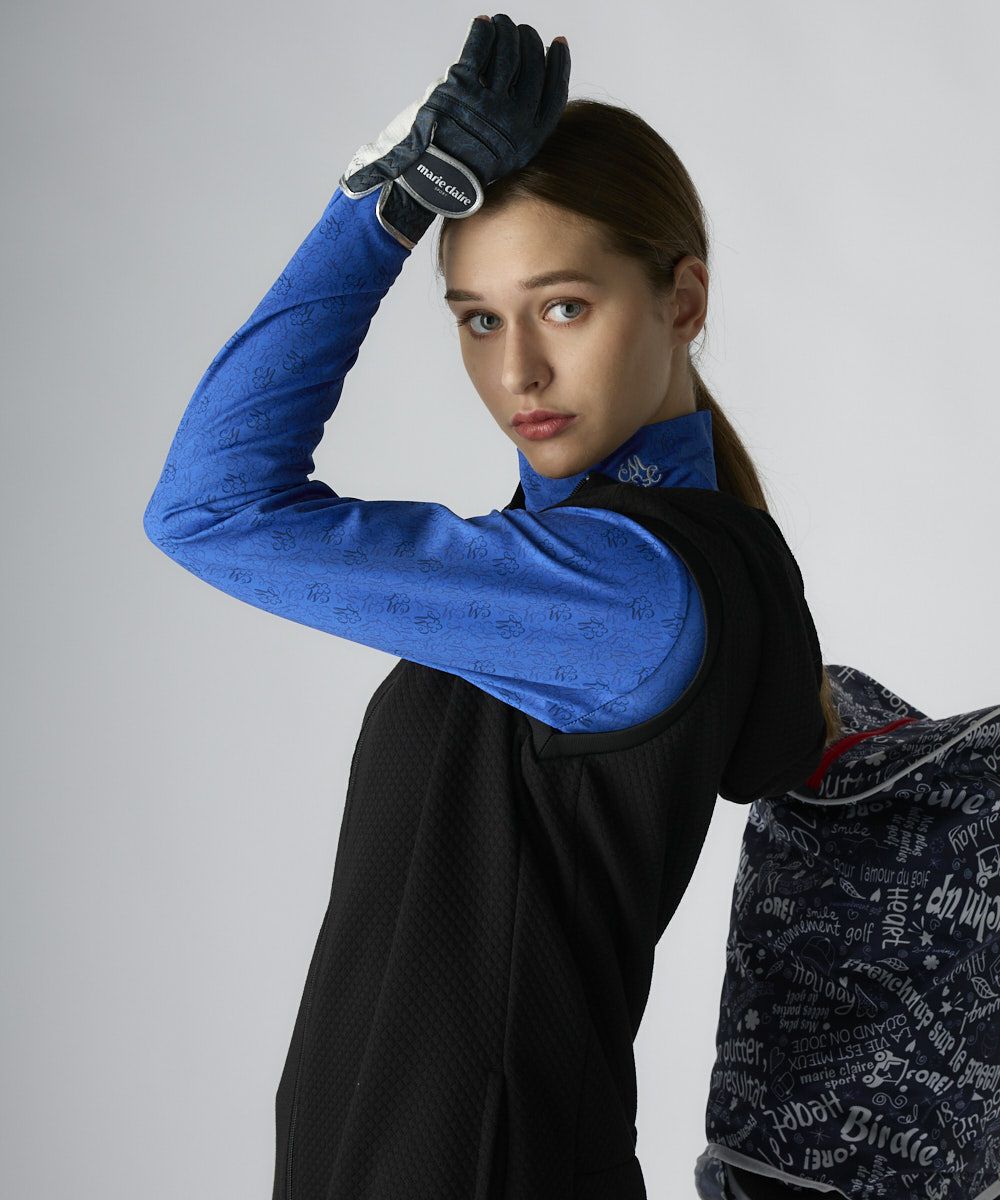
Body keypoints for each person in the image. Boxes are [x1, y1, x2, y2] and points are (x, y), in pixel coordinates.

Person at [142, 14, 836, 1199]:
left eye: (562, 307)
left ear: (681, 300)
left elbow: (209, 507)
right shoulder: (610, 564)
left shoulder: (621, 587)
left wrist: (383, 210)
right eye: (477, 317)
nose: (515, 371)